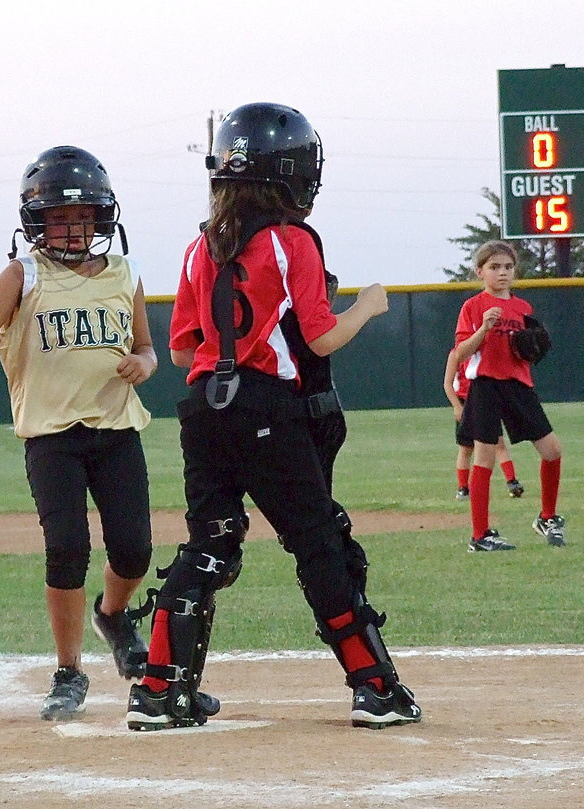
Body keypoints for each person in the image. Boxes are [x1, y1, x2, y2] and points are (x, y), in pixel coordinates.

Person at [124, 102, 422, 732]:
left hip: (205, 406)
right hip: (267, 405)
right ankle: (374, 688)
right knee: (320, 541)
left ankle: (158, 690)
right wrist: (367, 307)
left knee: (212, 542)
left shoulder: (199, 246)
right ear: (290, 173)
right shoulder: (292, 240)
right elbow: (318, 340)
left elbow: (183, 349)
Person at [0, 145, 155, 721]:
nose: (72, 227)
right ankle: (68, 671)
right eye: (60, 217)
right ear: (36, 222)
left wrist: (145, 363)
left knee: (134, 548)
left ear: (101, 218)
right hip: (51, 437)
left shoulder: (125, 274)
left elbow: (145, 346)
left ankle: (113, 617)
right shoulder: (22, 274)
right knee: (66, 547)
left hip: (116, 429)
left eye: (83, 215)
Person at [453, 240, 565, 551]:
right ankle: (480, 535)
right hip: (486, 385)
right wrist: (484, 329)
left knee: (552, 450)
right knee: (485, 457)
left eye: (507, 267)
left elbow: (530, 352)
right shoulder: (473, 307)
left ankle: (547, 517)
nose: (502, 272)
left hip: (518, 385)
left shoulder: (523, 308)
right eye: (494, 267)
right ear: (480, 272)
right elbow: (461, 352)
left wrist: (534, 345)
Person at [443, 347, 523, 501]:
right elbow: (447, 384)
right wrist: (457, 406)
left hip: (485, 401)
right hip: (465, 402)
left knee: (498, 443)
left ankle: (512, 482)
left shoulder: (484, 351)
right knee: (466, 448)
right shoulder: (456, 354)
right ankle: (463, 488)